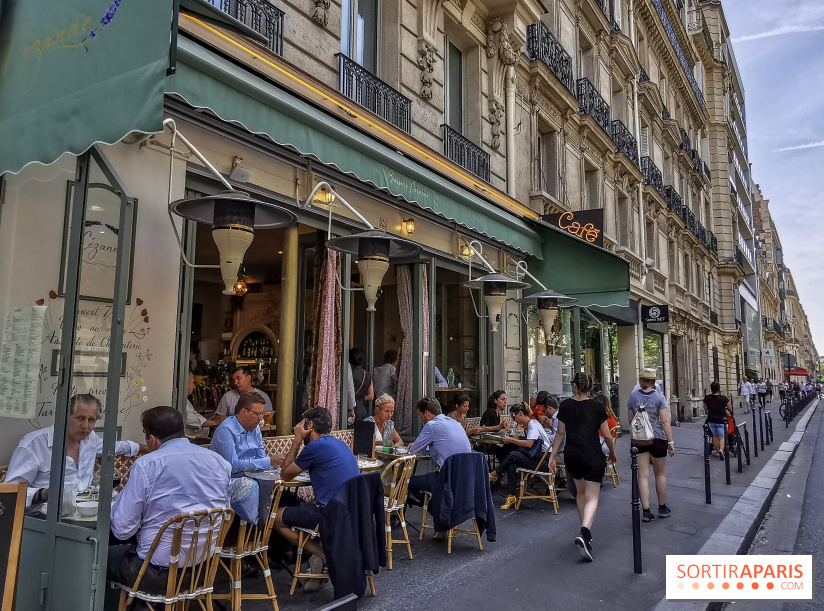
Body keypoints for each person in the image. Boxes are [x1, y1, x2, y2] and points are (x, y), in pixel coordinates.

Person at [107, 406, 231, 598]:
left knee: (98, 555)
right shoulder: (220, 462)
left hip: (155, 575)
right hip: (203, 571)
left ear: (152, 439)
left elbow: (122, 530)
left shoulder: (148, 464)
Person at [273, 407, 360, 588]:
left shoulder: (315, 446)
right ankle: (318, 565)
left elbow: (285, 475)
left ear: (309, 425)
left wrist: (297, 440)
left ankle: (323, 555)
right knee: (303, 504)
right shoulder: (340, 444)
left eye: (300, 425)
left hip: (329, 514)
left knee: (273, 517)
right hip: (351, 511)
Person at [6, 394, 142, 506]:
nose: (85, 426)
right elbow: (10, 491)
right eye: (80, 418)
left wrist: (145, 448)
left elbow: (114, 447)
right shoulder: (34, 444)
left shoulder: (91, 440)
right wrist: (45, 493)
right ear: (64, 417)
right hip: (44, 515)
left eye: (91, 420)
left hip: (84, 510)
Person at [548, 373, 616, 561]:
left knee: (580, 493)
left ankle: (585, 532)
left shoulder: (565, 405)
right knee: (593, 496)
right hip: (592, 454)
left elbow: (560, 434)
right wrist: (612, 452)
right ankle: (585, 531)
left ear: (576, 386)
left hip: (572, 454)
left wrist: (553, 457)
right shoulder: (596, 406)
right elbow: (607, 435)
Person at [210, 393, 284, 522]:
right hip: (227, 481)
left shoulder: (255, 429)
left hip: (252, 476)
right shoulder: (226, 430)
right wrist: (269, 461)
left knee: (280, 486)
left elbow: (260, 457)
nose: (261, 419)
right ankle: (258, 527)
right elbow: (233, 466)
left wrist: (273, 464)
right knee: (251, 486)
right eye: (258, 414)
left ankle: (270, 528)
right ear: (244, 412)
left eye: (262, 414)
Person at [627, 368, 675, 524]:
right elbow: (665, 421)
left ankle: (646, 511)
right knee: (660, 474)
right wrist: (671, 441)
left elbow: (630, 420)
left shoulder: (633, 397)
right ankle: (662, 507)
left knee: (643, 476)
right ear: (653, 382)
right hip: (659, 439)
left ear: (642, 381)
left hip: (640, 440)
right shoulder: (660, 398)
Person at [407, 397, 471, 503]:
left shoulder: (432, 425)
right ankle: (437, 507)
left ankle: (432, 507)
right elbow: (443, 447)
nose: (421, 420)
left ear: (427, 413)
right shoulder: (455, 423)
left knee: (407, 482)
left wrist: (418, 446)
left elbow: (414, 451)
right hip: (467, 477)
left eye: (420, 416)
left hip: (447, 479)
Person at [489, 403, 552, 509]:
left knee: (513, 454)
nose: (513, 419)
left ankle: (496, 473)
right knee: (512, 464)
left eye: (514, 416)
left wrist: (511, 440)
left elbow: (529, 444)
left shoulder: (533, 424)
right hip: (537, 458)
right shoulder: (529, 426)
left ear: (521, 414)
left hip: (543, 461)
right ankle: (511, 497)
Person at [703, 381, 732, 460]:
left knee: (715, 436)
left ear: (711, 388)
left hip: (711, 419)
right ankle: (721, 450)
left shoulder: (707, 398)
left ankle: (717, 451)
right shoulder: (723, 398)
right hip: (722, 419)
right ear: (719, 389)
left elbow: (705, 408)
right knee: (722, 437)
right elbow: (730, 407)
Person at [349, 348, 374, 422]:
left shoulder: (347, 373)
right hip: (362, 409)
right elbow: (371, 396)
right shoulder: (367, 374)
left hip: (348, 409)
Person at [184, 371, 209, 438]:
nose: (194, 387)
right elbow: (188, 418)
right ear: (185, 384)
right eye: (192, 383)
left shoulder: (184, 399)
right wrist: (213, 422)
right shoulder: (179, 401)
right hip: (190, 439)